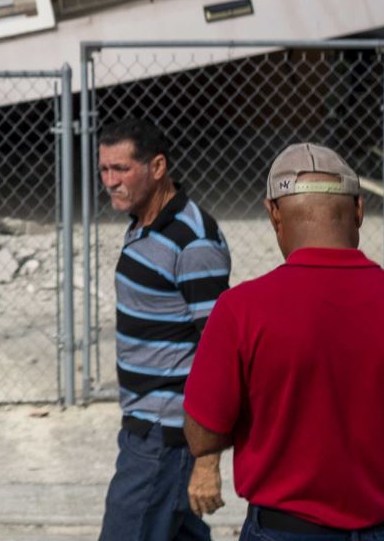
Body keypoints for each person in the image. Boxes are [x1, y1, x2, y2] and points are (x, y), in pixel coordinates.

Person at [180, 143, 384, 540]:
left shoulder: (240, 310)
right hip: (382, 531)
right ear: (359, 210)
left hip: (282, 530)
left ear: (273, 213)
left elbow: (203, 432)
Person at [95, 117, 231, 541]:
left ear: (157, 167)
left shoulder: (194, 243)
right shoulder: (143, 223)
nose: (111, 181)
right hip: (143, 424)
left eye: (122, 169)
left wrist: (207, 459)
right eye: (104, 170)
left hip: (165, 436)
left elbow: (220, 352)